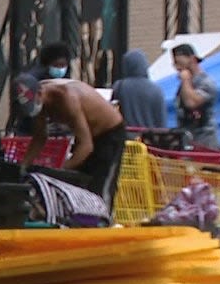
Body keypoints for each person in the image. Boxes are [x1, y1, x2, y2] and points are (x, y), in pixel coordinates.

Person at [15, 73, 128, 211]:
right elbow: (40, 137)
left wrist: (62, 170)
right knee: (79, 185)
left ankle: (103, 222)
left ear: (40, 93)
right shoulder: (40, 101)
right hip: (89, 136)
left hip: (110, 133)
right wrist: (23, 167)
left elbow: (86, 146)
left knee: (100, 186)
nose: (33, 111)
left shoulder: (66, 99)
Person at [171, 43, 220, 149]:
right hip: (187, 138)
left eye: (179, 63)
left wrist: (185, 79)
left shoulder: (206, 83)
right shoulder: (184, 86)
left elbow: (191, 103)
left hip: (204, 140)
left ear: (192, 59)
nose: (177, 68)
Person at [111, 49, 166, 129]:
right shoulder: (157, 90)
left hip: (128, 136)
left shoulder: (120, 86)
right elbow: (161, 121)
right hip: (149, 137)